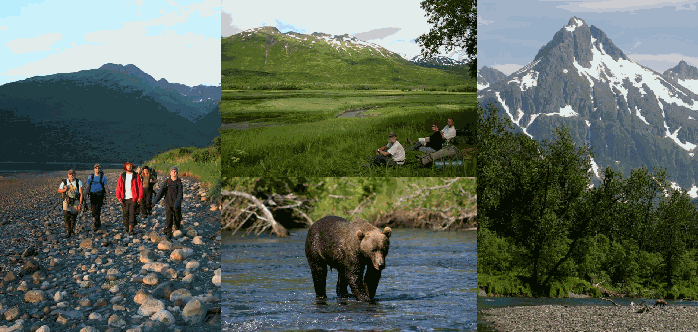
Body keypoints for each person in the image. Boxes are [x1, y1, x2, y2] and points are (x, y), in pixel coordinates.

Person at [154, 166, 184, 239]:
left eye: (175, 171)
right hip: (168, 202)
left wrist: (177, 202)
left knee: (177, 217)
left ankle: (177, 227)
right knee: (169, 218)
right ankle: (168, 231)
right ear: (170, 173)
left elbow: (180, 193)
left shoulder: (179, 182)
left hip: (177, 203)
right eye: (172, 171)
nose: (174, 173)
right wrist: (154, 202)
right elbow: (161, 192)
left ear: (177, 173)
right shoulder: (167, 182)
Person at [116, 162, 143, 235]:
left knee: (132, 213)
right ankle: (126, 227)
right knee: (125, 213)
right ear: (125, 167)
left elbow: (140, 186)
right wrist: (118, 197)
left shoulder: (136, 175)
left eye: (131, 166)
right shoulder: (122, 176)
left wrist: (140, 196)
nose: (129, 167)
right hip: (124, 198)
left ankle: (131, 227)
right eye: (128, 166)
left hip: (133, 197)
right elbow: (118, 187)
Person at [57, 169, 83, 238]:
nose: (71, 175)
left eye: (73, 174)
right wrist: (64, 190)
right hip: (66, 200)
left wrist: (80, 204)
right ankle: (68, 231)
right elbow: (59, 190)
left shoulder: (78, 182)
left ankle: (71, 230)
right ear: (68, 175)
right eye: (70, 174)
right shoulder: (64, 182)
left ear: (75, 175)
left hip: (75, 201)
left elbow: (81, 194)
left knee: (74, 216)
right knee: (66, 215)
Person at [86, 164, 110, 231]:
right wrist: (84, 196)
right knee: (93, 210)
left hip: (100, 195)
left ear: (100, 169)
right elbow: (88, 186)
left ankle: (96, 224)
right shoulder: (90, 177)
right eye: (96, 168)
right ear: (94, 169)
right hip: (92, 195)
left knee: (98, 209)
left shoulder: (103, 177)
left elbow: (106, 187)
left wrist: (108, 197)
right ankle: (97, 221)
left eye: (98, 168)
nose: (97, 169)